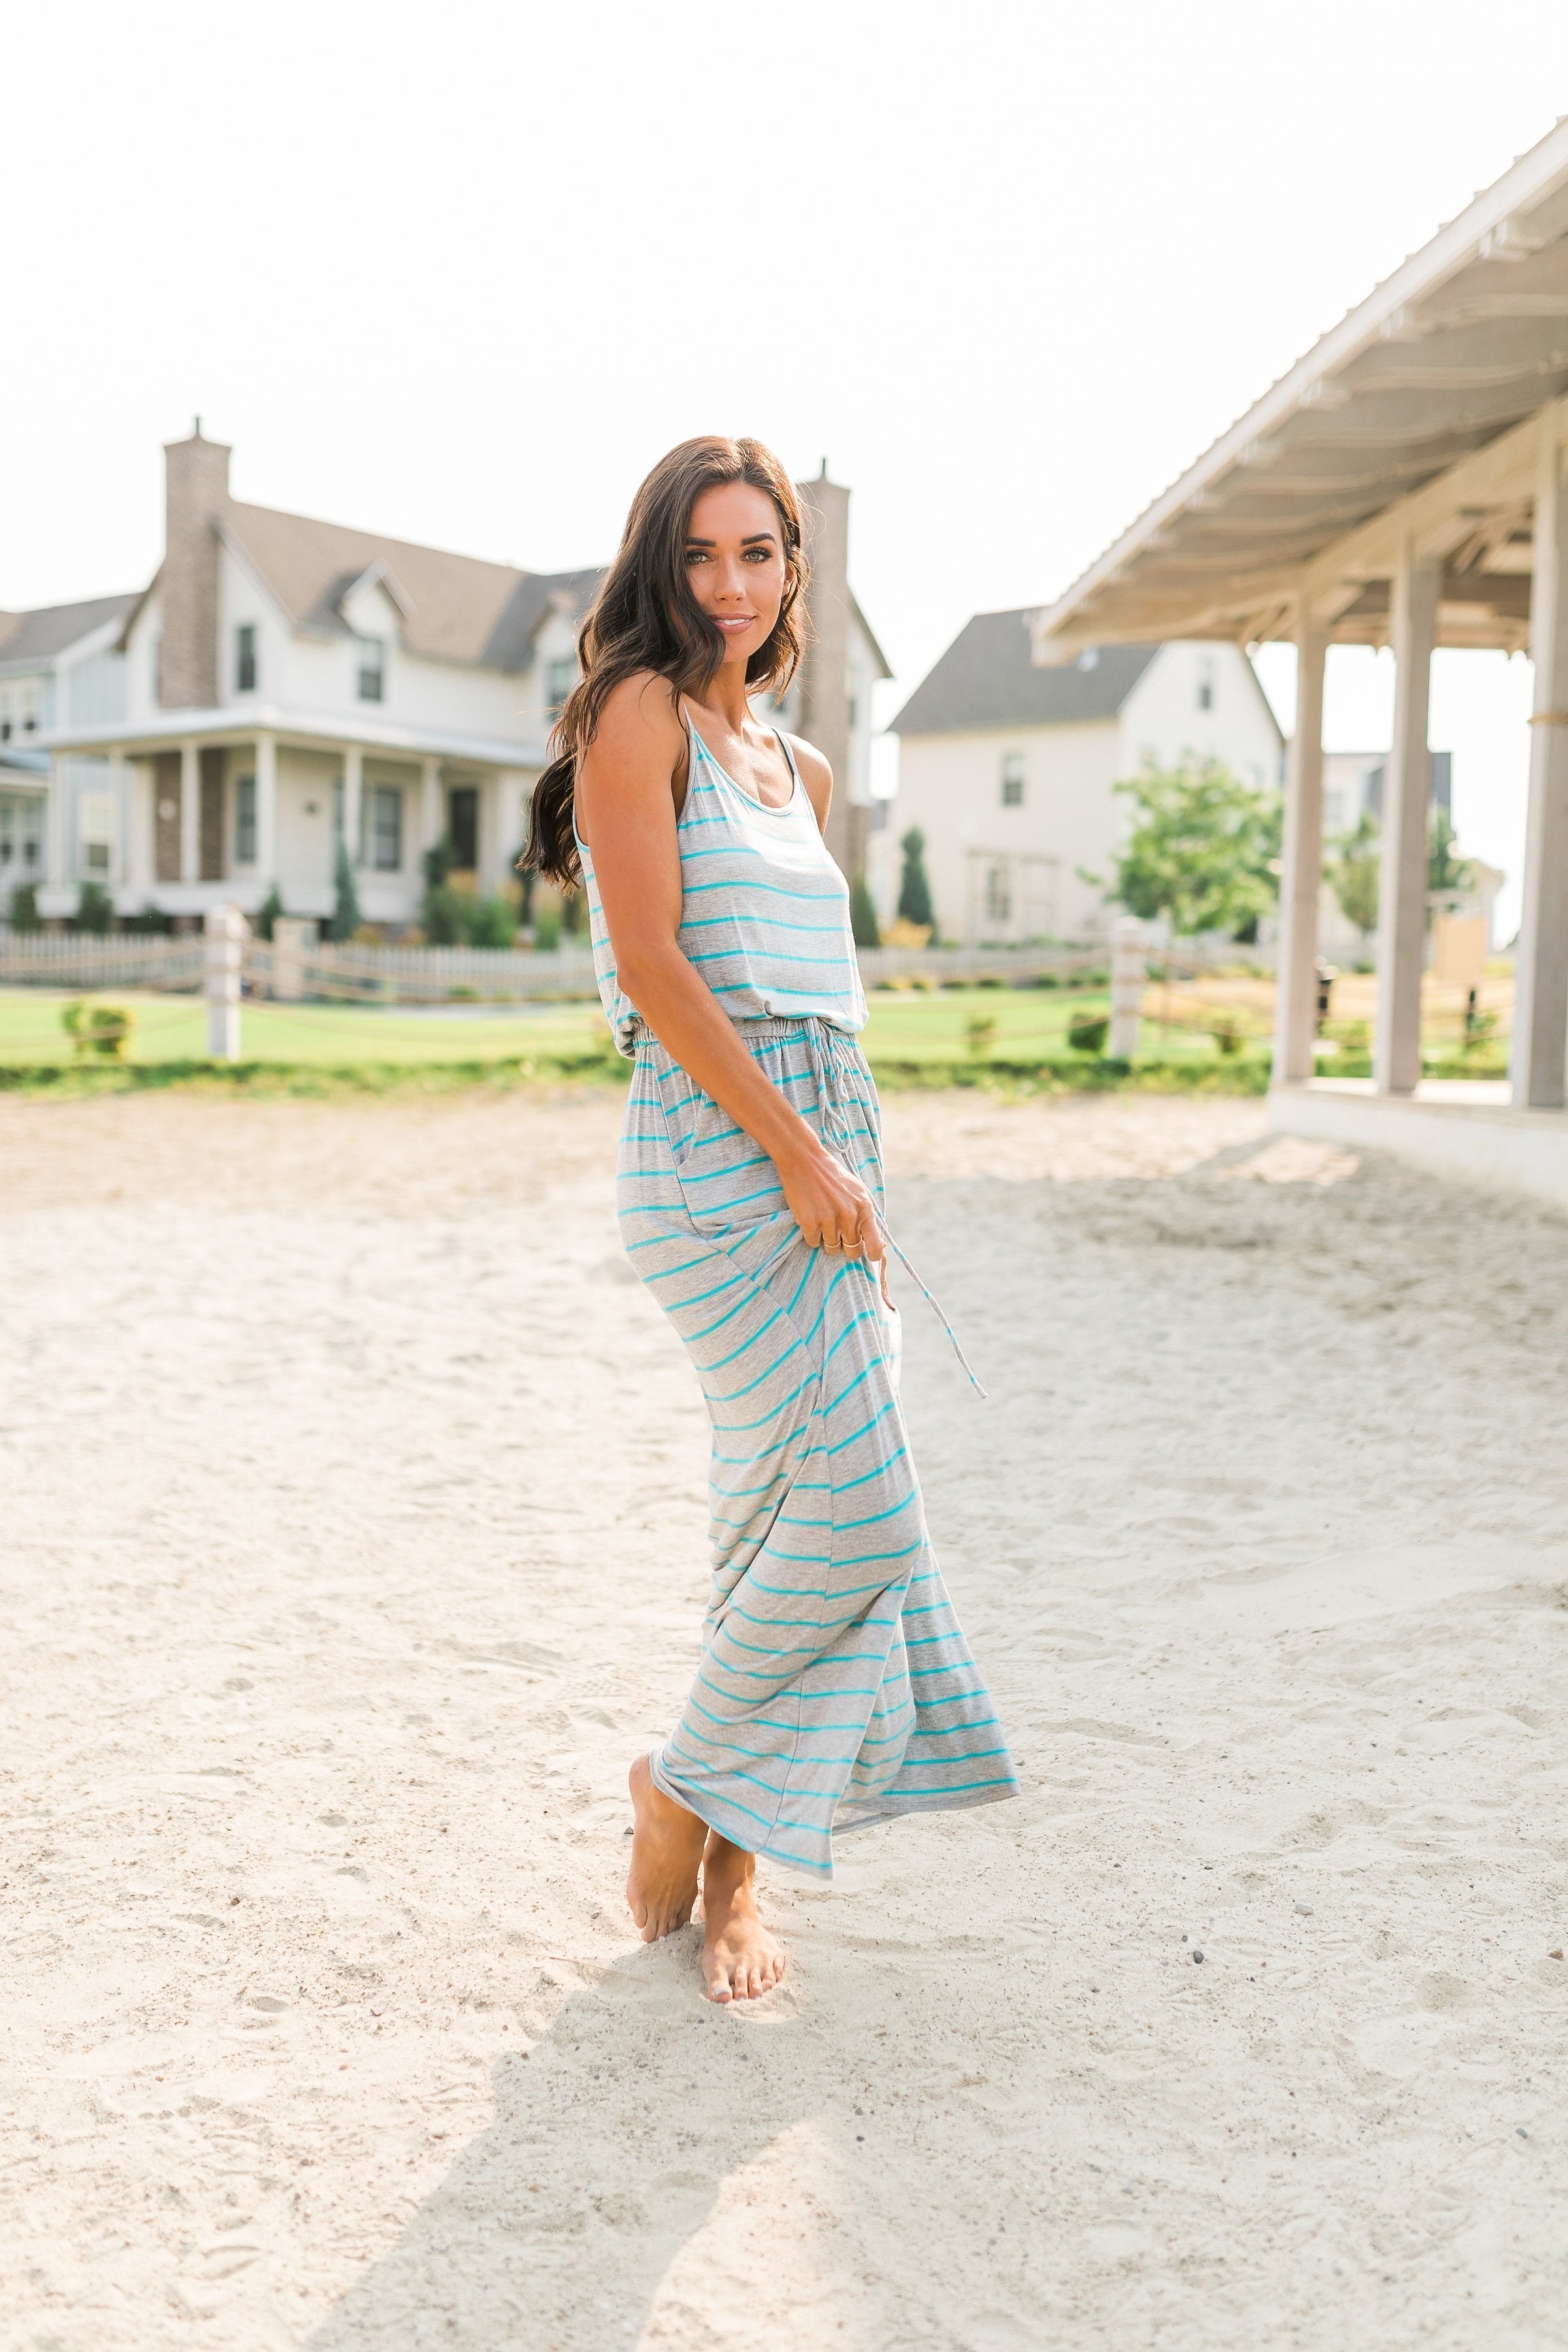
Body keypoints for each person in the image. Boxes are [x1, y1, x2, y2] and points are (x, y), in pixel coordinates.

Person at [523, 436, 1015, 2003]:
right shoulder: (632, 714)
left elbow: (830, 1001)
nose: (732, 586)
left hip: (828, 1153)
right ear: (659, 567)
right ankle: (682, 1781)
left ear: (795, 570)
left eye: (760, 554)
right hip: (717, 1163)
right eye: (703, 557)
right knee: (865, 1510)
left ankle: (737, 1883)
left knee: (772, 1512)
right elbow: (660, 970)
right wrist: (802, 1156)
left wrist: (850, 1155)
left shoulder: (797, 770)